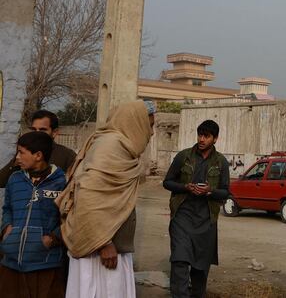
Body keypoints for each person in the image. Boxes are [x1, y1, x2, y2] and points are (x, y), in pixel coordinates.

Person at [56, 100, 156, 298]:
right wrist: (103, 243)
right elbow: (88, 197)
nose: (151, 132)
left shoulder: (122, 148)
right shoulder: (109, 147)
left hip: (112, 247)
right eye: (150, 125)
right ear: (134, 122)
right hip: (100, 250)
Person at [163, 119, 230, 298]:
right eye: (200, 135)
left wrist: (210, 191)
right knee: (179, 260)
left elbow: (225, 192)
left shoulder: (221, 162)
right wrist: (185, 187)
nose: (201, 139)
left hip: (206, 220)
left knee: (200, 269)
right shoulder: (183, 157)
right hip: (182, 217)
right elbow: (167, 182)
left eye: (206, 136)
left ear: (215, 139)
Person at [0, 131, 67, 297]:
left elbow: (69, 218)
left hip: (45, 264)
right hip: (11, 263)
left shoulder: (62, 183)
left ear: (38, 155)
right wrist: (7, 229)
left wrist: (51, 239)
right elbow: (7, 208)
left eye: (21, 152)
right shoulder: (14, 179)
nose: (17, 157)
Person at [0, 110, 76, 188]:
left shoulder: (67, 155)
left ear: (54, 132)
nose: (37, 133)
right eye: (34, 129)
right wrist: (15, 163)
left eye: (42, 130)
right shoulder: (25, 152)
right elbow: (2, 182)